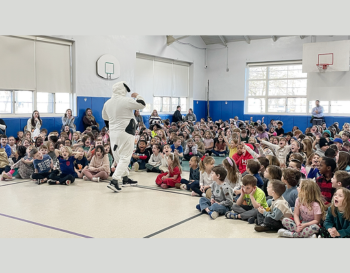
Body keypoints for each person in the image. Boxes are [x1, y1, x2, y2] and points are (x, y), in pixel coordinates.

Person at [102, 81, 146, 192]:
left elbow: (105, 117)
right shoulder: (126, 100)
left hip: (113, 133)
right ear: (123, 90)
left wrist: (112, 128)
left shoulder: (107, 103)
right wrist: (137, 96)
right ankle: (115, 180)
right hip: (126, 132)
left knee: (118, 156)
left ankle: (125, 178)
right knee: (125, 157)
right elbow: (142, 104)